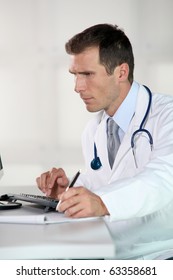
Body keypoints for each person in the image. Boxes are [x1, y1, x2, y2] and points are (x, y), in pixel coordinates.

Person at [36, 24, 173, 259]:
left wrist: (103, 201)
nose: (77, 87)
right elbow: (106, 180)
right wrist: (68, 192)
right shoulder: (94, 129)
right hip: (111, 252)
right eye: (75, 75)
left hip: (159, 253)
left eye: (87, 74)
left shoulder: (166, 116)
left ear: (120, 72)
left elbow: (163, 179)